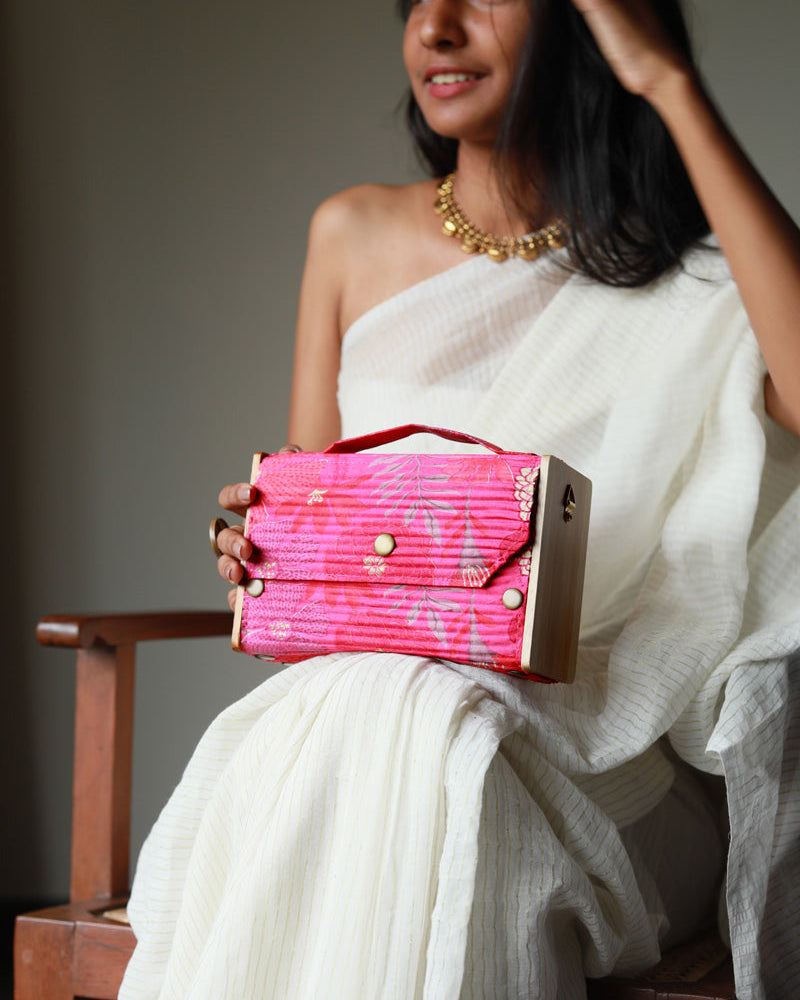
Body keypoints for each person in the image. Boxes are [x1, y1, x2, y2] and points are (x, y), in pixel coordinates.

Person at [119, 1, 800, 998]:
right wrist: (274, 559)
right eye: (417, 1)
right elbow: (322, 536)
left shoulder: (694, 278)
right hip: (374, 724)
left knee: (438, 731)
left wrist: (667, 82)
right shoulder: (350, 234)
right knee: (415, 714)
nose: (434, 27)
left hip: (612, 766)